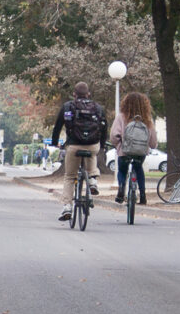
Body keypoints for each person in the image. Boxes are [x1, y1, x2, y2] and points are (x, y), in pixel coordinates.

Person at [51, 82, 107, 221]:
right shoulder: (98, 108)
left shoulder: (68, 106)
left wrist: (54, 142)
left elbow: (58, 126)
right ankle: (93, 180)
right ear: (88, 94)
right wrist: (103, 144)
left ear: (74, 94)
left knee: (70, 177)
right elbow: (104, 127)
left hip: (74, 145)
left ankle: (67, 207)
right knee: (92, 153)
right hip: (93, 144)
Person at [110, 92, 157, 205]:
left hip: (124, 151)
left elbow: (114, 135)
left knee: (122, 171)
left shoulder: (121, 117)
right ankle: (142, 195)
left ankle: (121, 188)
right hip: (140, 152)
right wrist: (151, 146)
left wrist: (117, 144)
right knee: (138, 169)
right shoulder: (147, 119)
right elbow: (153, 140)